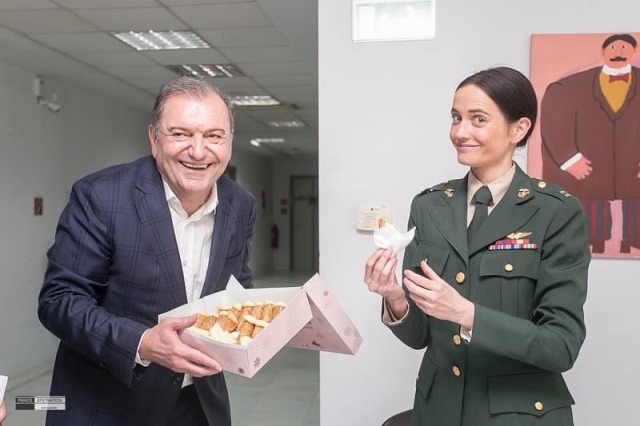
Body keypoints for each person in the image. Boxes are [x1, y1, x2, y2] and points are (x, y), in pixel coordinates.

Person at [364, 67, 590, 425]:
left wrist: (466, 314)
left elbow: (561, 346)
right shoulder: (429, 206)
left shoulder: (556, 211)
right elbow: (421, 335)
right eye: (456, 118)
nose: (460, 132)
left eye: (478, 119)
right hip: (439, 410)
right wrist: (394, 296)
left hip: (517, 415)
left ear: (519, 129)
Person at [38, 76, 257, 425]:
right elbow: (59, 300)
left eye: (213, 136)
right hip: (110, 405)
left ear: (229, 142)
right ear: (154, 139)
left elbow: (237, 286)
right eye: (181, 134)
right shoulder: (100, 196)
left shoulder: (240, 205)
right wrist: (141, 342)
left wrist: (258, 325)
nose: (198, 151)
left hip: (199, 406)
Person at [541, 33, 640, 254]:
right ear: (604, 52)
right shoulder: (568, 87)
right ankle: (595, 240)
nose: (618, 52)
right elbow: (554, 123)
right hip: (590, 161)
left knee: (637, 201)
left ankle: (634, 240)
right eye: (613, 47)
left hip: (633, 160)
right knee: (592, 201)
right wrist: (568, 160)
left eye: (624, 47)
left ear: (634, 52)